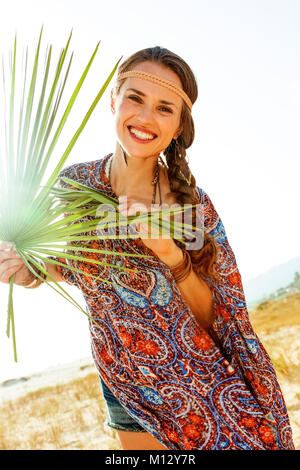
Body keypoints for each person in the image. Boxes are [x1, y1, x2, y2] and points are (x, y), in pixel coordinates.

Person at [0, 47, 295, 451]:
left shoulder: (188, 207)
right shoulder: (75, 188)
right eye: (134, 99)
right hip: (125, 382)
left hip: (204, 382)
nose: (144, 118)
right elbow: (72, 267)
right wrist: (27, 270)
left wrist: (171, 255)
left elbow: (217, 315)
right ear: (113, 101)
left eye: (163, 109)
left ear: (178, 126)